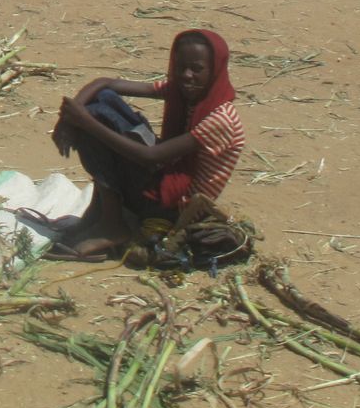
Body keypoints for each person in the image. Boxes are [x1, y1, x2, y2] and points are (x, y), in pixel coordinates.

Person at [50, 29, 244, 260]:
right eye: (180, 68)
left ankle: (112, 225)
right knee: (102, 101)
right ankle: (98, 214)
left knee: (96, 120)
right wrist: (69, 118)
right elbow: (105, 83)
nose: (187, 75)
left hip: (173, 207)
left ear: (216, 70)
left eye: (197, 69)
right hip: (165, 179)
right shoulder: (180, 91)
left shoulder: (221, 118)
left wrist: (84, 121)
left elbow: (151, 157)